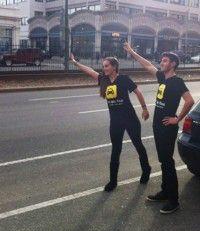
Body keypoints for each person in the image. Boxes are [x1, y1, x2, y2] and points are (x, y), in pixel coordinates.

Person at [124, 42, 195, 214]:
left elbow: (190, 101)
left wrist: (177, 118)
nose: (161, 63)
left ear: (173, 64)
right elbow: (147, 64)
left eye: (165, 61)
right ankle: (165, 191)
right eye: (161, 61)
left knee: (167, 161)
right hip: (158, 125)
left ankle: (173, 200)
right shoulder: (163, 78)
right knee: (163, 160)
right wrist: (132, 51)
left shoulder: (177, 82)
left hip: (166, 127)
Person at [70, 53, 151, 192]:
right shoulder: (103, 79)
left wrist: (144, 109)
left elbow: (138, 92)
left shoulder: (124, 79)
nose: (104, 68)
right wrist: (75, 63)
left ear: (114, 67)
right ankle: (113, 181)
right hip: (115, 122)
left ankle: (146, 169)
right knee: (116, 150)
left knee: (138, 145)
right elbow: (90, 71)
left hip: (130, 119)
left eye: (106, 66)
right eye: (103, 66)